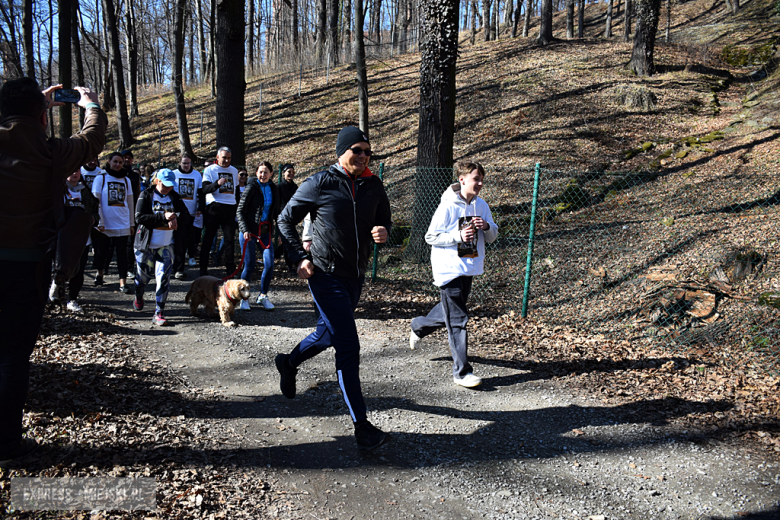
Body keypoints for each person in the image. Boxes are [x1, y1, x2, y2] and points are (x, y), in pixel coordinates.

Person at [0, 79, 107, 465]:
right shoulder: (49, 150)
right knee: (12, 355)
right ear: (44, 117)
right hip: (28, 266)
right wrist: (90, 104)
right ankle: (7, 440)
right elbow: (91, 140)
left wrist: (30, 108)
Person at [276, 126, 392, 452]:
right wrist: (298, 257)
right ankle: (362, 427)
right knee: (347, 344)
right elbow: (285, 220)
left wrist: (383, 230)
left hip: (355, 276)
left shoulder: (373, 184)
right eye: (357, 150)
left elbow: (384, 220)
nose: (364, 156)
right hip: (324, 275)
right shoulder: (320, 182)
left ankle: (288, 362)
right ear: (341, 151)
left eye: (368, 152)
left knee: (327, 334)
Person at [409, 161, 499, 388]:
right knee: (458, 320)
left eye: (481, 179)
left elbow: (493, 236)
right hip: (448, 269)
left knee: (450, 312)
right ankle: (462, 372)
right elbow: (431, 237)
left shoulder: (481, 205)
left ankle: (419, 326)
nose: (479, 183)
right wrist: (458, 236)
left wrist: (486, 227)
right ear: (462, 180)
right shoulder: (447, 206)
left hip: (469, 267)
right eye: (475, 179)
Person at [133, 169, 189, 326]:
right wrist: (162, 217)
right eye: (165, 185)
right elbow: (139, 217)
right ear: (157, 181)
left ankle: (159, 312)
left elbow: (185, 214)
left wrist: (175, 217)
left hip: (166, 245)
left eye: (171, 185)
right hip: (146, 245)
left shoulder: (174, 196)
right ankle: (138, 295)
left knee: (163, 278)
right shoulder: (146, 195)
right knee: (142, 278)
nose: (168, 188)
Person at [48, 168, 100, 313]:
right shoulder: (59, 190)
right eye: (71, 170)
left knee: (79, 270)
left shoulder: (86, 192)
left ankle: (72, 299)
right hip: (62, 238)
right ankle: (56, 293)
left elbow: (95, 212)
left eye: (77, 171)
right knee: (60, 267)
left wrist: (91, 220)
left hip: (82, 238)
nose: (74, 174)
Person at [236, 161, 281, 311]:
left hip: (265, 232)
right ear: (256, 173)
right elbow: (240, 211)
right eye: (260, 172)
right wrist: (245, 230)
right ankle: (244, 298)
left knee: (269, 264)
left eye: (266, 172)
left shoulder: (274, 189)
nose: (263, 175)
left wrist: (280, 232)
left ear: (271, 174)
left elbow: (276, 213)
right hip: (249, 232)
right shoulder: (251, 188)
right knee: (249, 265)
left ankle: (263, 296)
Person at [92, 152, 135, 293]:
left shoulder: (126, 180)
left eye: (120, 162)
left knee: (121, 253)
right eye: (115, 161)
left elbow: (129, 202)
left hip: (122, 222)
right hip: (105, 223)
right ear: (109, 161)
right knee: (102, 252)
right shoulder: (101, 178)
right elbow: (96, 201)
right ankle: (100, 274)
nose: (118, 165)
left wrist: (131, 223)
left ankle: (122, 283)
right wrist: (100, 221)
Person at [200, 147, 239, 277]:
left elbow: (237, 191)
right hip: (214, 207)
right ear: (217, 157)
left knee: (229, 240)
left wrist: (237, 205)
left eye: (229, 158)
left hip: (230, 207)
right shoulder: (210, 170)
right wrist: (217, 183)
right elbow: (205, 189)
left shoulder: (234, 170)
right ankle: (203, 267)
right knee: (209, 239)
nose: (226, 160)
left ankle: (230, 268)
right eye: (224, 157)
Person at [172, 155, 203, 278]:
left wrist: (200, 208)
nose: (187, 166)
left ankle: (189, 258)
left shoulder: (196, 175)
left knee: (191, 239)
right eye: (184, 163)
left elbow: (201, 193)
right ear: (180, 163)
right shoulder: (174, 174)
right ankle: (178, 268)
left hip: (192, 213)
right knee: (179, 241)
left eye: (189, 163)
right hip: (178, 213)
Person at [121, 150, 141, 279]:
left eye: (129, 158)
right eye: (125, 158)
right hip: (117, 209)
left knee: (130, 241)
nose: (127, 160)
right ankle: (104, 267)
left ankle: (129, 268)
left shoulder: (134, 176)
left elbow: (138, 192)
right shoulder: (116, 174)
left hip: (132, 209)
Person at [276, 163, 298, 273]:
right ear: (284, 173)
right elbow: (278, 204)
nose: (291, 174)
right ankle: (290, 265)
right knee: (286, 240)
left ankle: (275, 255)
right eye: (289, 172)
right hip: (282, 217)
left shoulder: (295, 187)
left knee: (290, 240)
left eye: (293, 172)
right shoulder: (279, 187)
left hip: (292, 217)